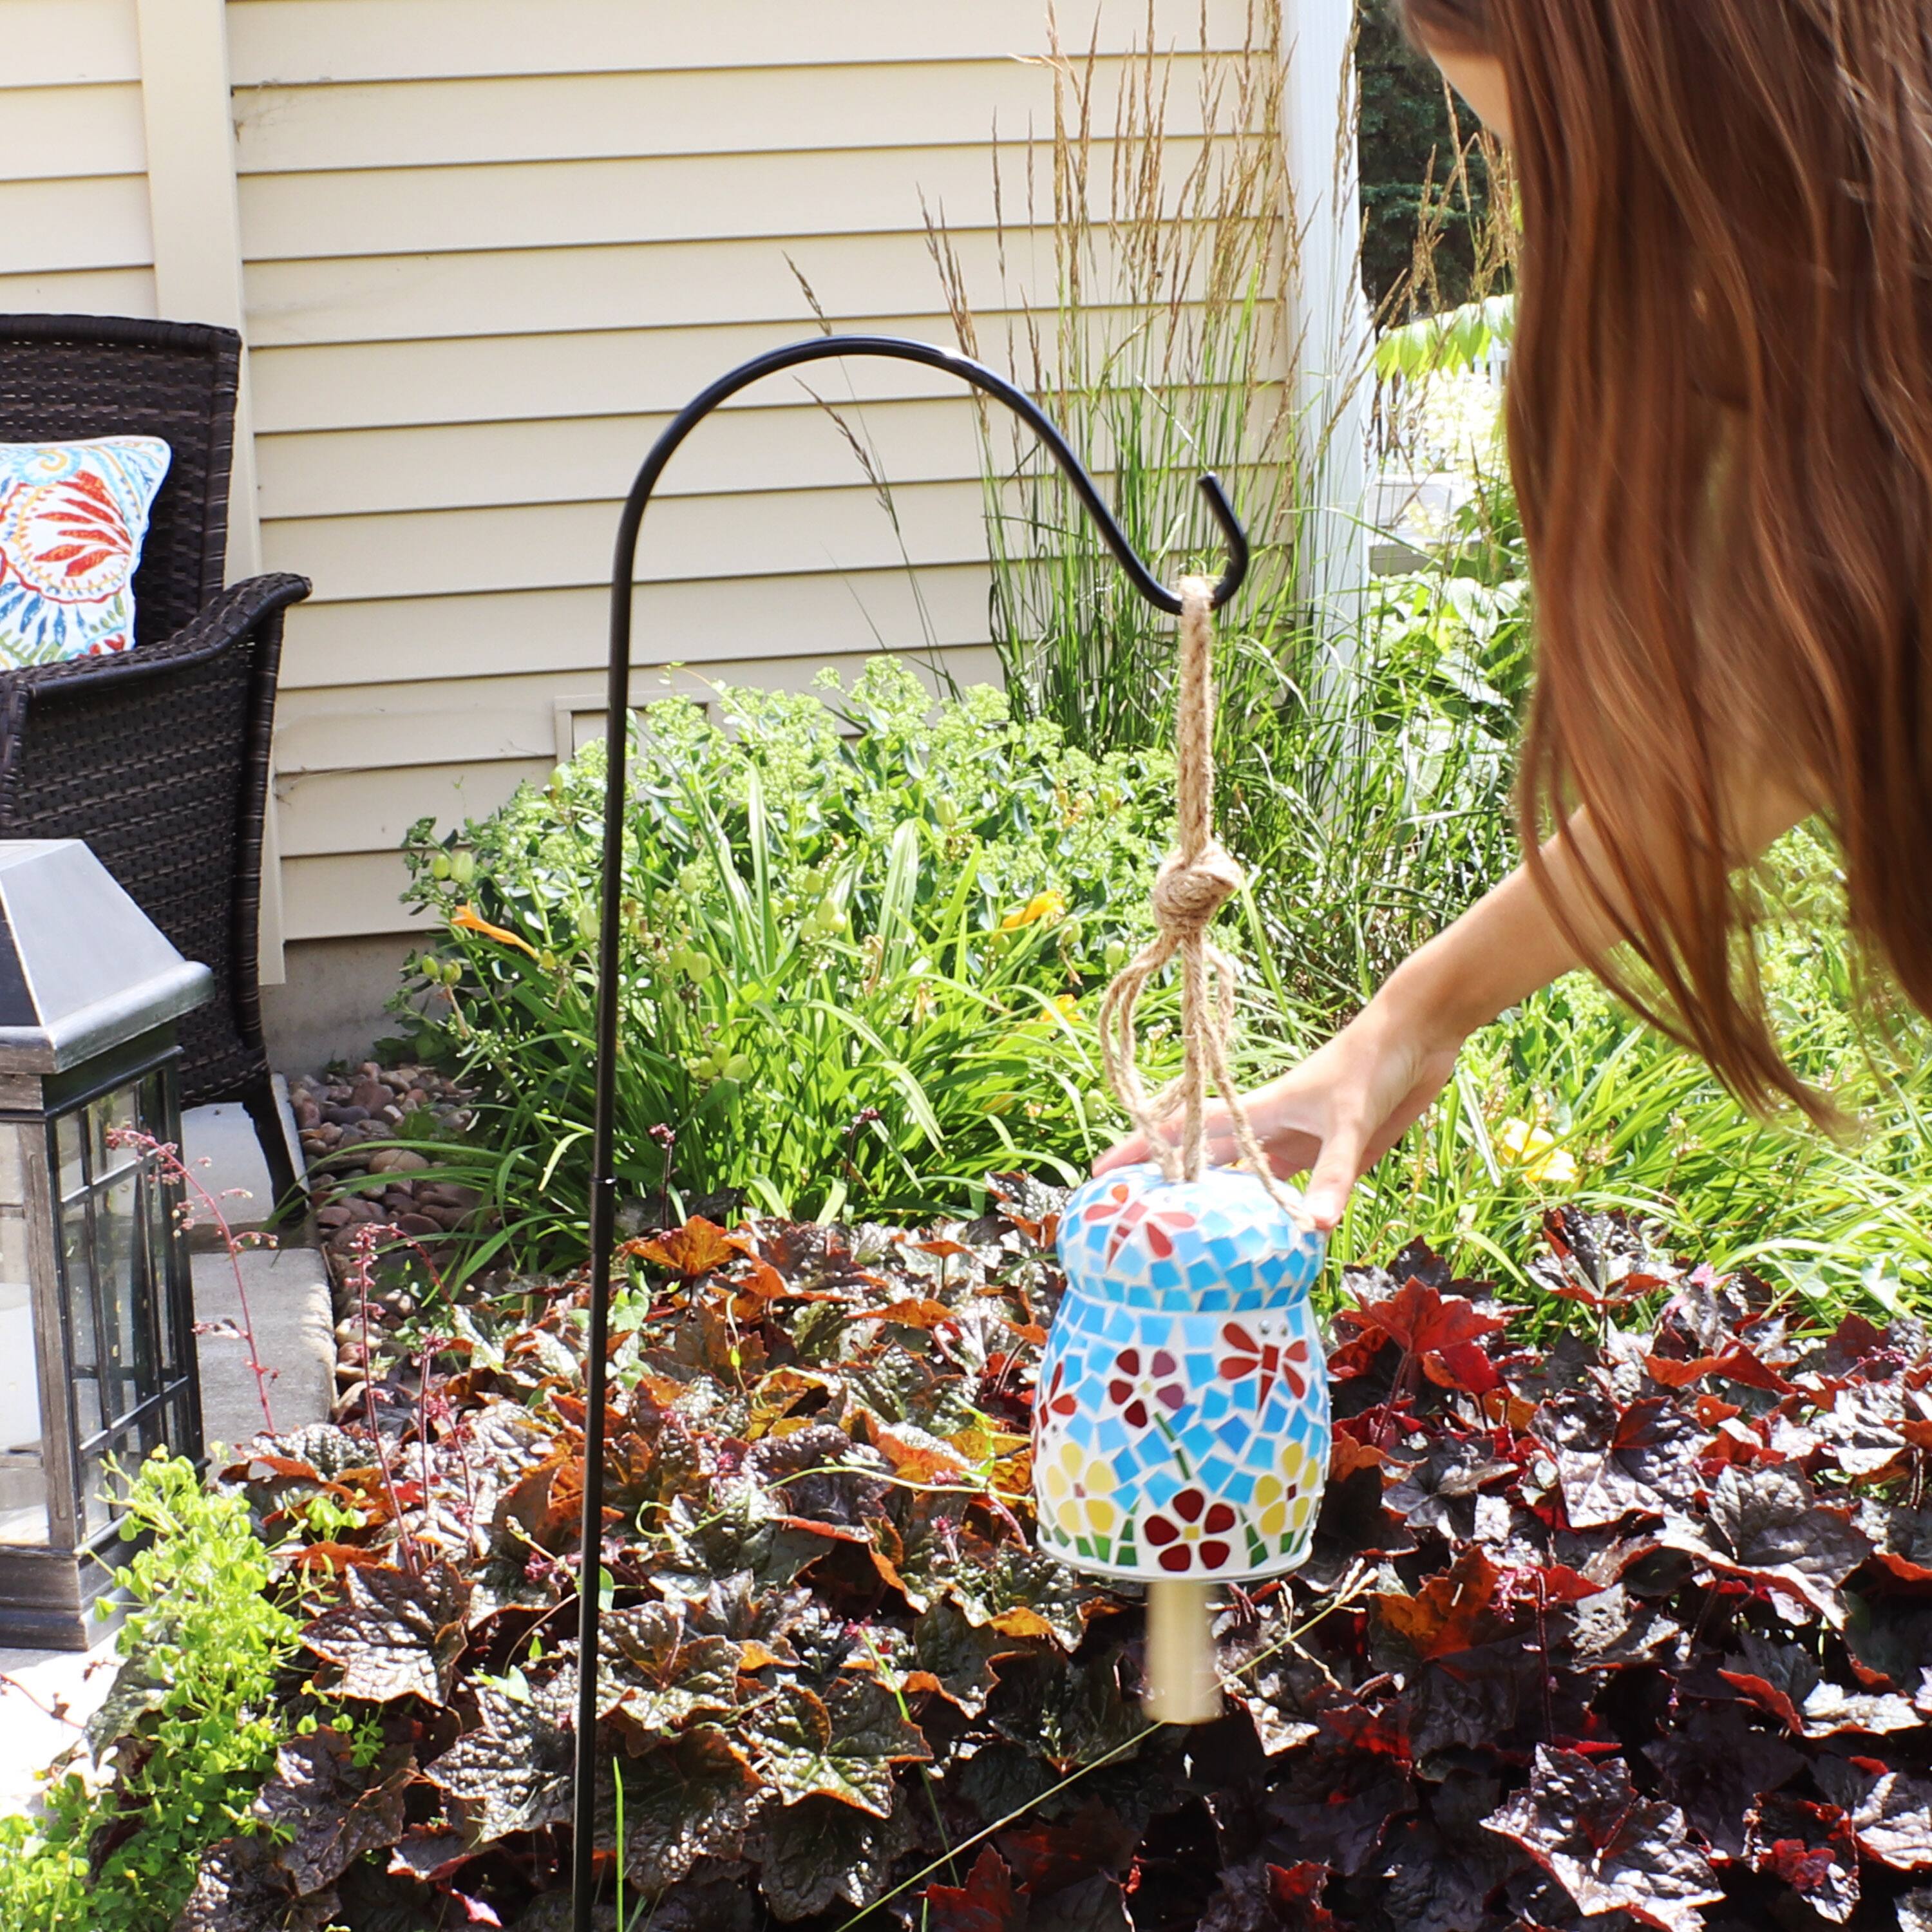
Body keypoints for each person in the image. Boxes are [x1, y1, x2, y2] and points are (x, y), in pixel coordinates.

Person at [1101, 0, 1932, 1227]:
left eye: (1564, 153)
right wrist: (1414, 1014)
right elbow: (1750, 753)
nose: (1568, 226)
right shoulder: (1837, 333)